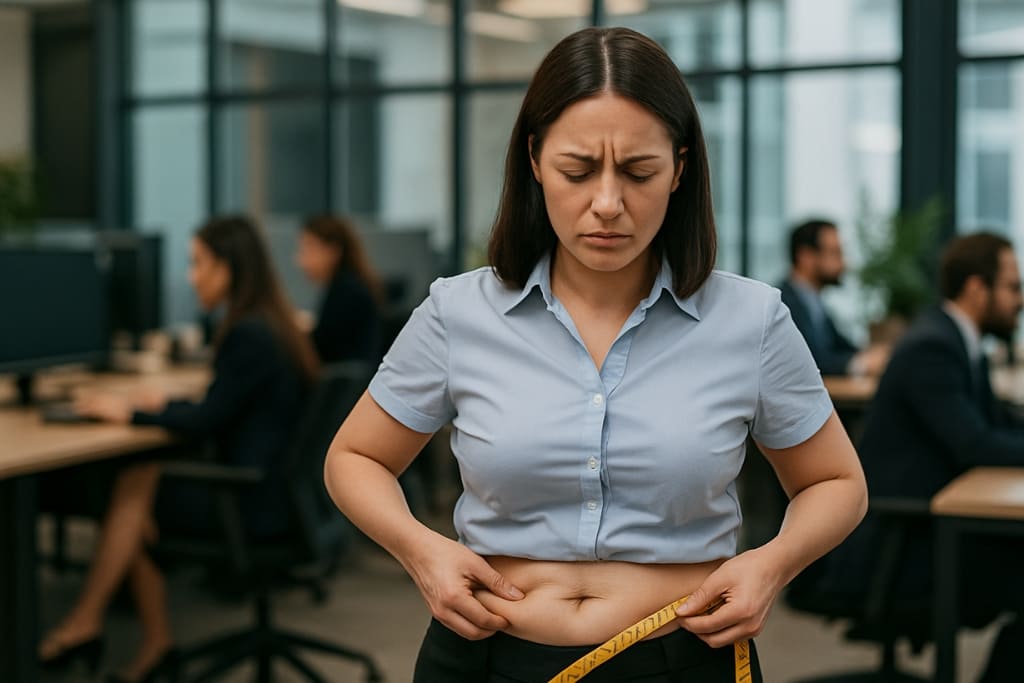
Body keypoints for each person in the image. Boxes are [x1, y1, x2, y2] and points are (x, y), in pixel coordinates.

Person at [323, 27, 867, 682]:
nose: (607, 204)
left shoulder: (750, 320)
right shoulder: (458, 312)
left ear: (680, 167)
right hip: (485, 657)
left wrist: (770, 563)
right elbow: (354, 457)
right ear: (533, 158)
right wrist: (421, 551)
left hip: (678, 658)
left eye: (639, 172)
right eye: (577, 171)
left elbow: (836, 482)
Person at [38, 215, 319, 683]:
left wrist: (127, 412)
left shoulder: (248, 334)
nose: (191, 276)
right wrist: (165, 403)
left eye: (198, 263)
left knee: (135, 487)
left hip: (249, 501)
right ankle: (146, 641)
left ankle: (92, 622)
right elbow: (226, 405)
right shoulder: (271, 324)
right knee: (140, 488)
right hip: (281, 496)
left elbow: (208, 420)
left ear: (228, 268)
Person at [822, 232, 1024, 681]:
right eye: (1013, 287)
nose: (1020, 300)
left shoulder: (958, 340)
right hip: (903, 545)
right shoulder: (933, 347)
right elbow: (975, 444)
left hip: (930, 527)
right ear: (976, 289)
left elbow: (999, 425)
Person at [779, 219, 889, 376]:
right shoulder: (782, 305)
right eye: (835, 253)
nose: (844, 264)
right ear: (806, 256)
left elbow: (839, 347)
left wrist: (871, 355)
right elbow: (807, 362)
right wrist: (860, 364)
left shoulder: (814, 302)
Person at [296, 214, 383, 365]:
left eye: (309, 248)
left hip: (342, 383)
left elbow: (323, 349)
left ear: (333, 251)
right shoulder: (345, 285)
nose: (300, 260)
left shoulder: (347, 292)